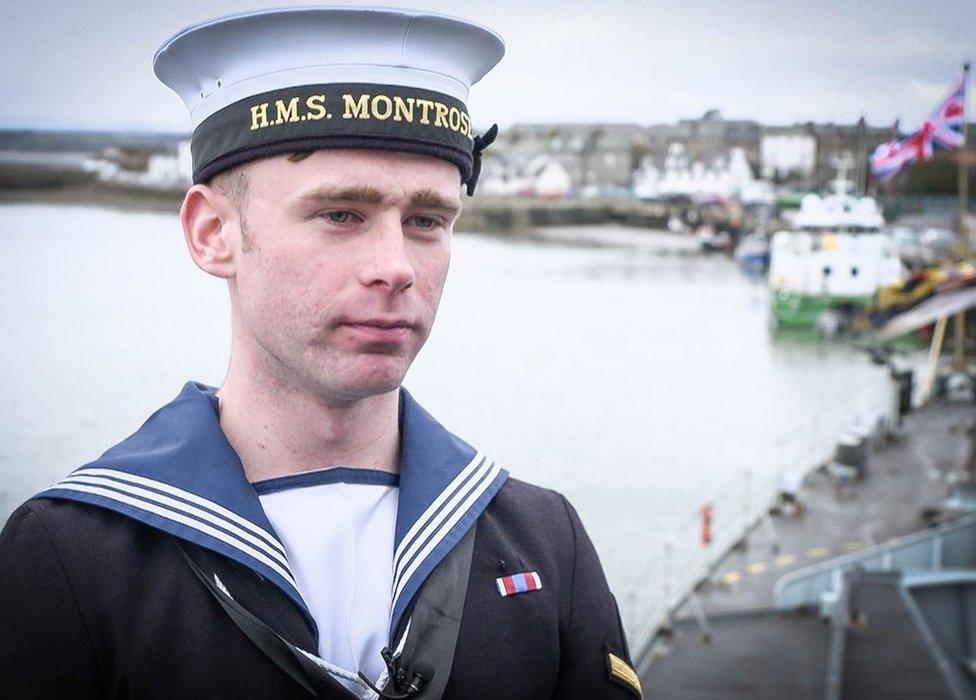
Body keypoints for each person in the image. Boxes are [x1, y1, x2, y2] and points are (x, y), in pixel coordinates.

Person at [0, 8, 641, 699]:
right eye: (341, 215)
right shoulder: (72, 558)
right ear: (214, 232)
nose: (396, 266)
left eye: (427, 220)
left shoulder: (548, 544)